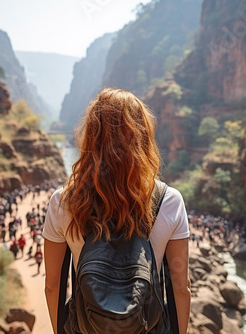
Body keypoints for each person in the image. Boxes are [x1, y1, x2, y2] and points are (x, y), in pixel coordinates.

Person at [43, 88, 191, 334]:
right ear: (143, 136)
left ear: (90, 136)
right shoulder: (169, 201)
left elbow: (52, 286)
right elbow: (180, 287)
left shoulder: (63, 201)